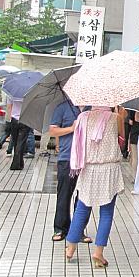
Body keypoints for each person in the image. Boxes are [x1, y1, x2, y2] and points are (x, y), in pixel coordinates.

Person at [65, 105, 125, 268]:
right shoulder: (116, 117)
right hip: (109, 168)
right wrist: (121, 115)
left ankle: (70, 248)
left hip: (89, 168)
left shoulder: (83, 117)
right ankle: (98, 253)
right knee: (106, 212)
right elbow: (122, 141)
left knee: (82, 208)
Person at [49, 99, 91, 243]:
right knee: (64, 194)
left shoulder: (92, 109)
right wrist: (71, 128)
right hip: (67, 157)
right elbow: (53, 129)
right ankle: (60, 228)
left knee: (84, 197)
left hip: (87, 159)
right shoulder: (63, 107)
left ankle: (78, 230)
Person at [9, 97, 31, 170]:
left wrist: (9, 119)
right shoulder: (29, 93)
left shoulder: (12, 93)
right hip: (25, 120)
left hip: (14, 120)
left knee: (15, 142)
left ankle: (20, 163)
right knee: (21, 143)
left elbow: (10, 106)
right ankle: (16, 164)